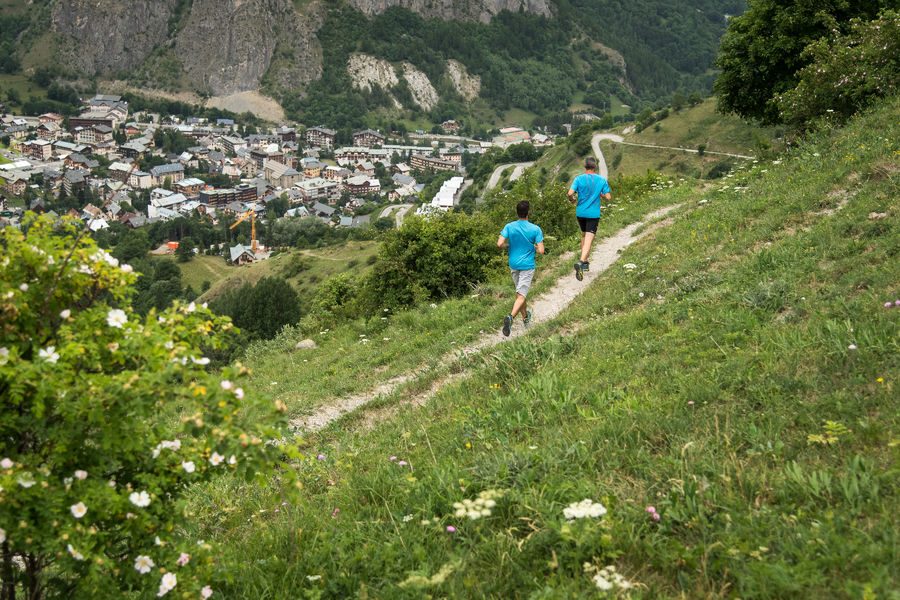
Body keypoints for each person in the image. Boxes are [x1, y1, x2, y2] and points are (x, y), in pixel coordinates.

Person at [497, 200, 545, 337]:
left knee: (520, 293)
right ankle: (510, 317)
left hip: (514, 264)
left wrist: (509, 246)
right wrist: (534, 247)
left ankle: (525, 319)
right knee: (522, 295)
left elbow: (499, 243)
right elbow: (541, 251)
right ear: (528, 212)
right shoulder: (535, 229)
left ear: (517, 212)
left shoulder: (509, 226)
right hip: (527, 265)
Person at [567, 156, 612, 281]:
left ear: (585, 166)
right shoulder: (601, 180)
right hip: (593, 214)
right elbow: (608, 197)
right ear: (595, 166)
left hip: (580, 212)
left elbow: (570, 193)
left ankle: (585, 263)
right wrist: (601, 194)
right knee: (589, 238)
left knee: (583, 235)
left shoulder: (578, 179)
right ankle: (581, 262)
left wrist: (572, 200)